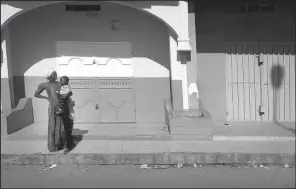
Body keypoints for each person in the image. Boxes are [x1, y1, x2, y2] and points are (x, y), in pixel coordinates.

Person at [34, 69, 75, 154]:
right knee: (52, 126)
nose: (55, 75)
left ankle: (60, 144)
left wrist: (67, 95)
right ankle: (52, 146)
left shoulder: (60, 84)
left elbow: (70, 92)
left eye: (55, 74)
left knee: (61, 126)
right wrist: (46, 98)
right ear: (49, 76)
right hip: (52, 107)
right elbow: (36, 94)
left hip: (61, 106)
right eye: (53, 74)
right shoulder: (43, 85)